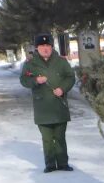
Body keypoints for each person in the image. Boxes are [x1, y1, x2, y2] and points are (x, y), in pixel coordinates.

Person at [19, 33, 76, 173]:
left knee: (60, 137)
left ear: (52, 47)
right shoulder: (30, 63)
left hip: (59, 105)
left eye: (48, 46)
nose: (45, 49)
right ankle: (50, 164)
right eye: (42, 46)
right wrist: (35, 81)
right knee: (47, 138)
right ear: (37, 48)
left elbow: (70, 77)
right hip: (42, 108)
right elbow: (23, 80)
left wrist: (62, 89)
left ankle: (63, 163)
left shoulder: (61, 61)